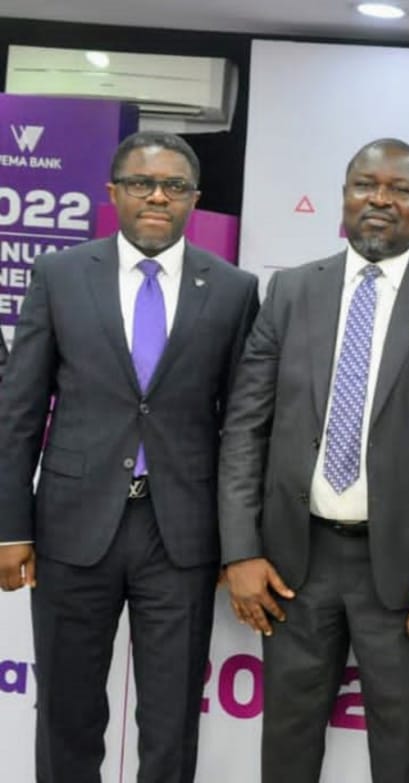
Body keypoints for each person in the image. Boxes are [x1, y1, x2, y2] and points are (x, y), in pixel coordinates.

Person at [217, 138, 409, 783]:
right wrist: (240, 551)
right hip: (293, 566)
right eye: (365, 185)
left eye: (399, 190)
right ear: (343, 197)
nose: (380, 199)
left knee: (400, 757)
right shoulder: (291, 291)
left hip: (406, 576)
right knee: (286, 751)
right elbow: (245, 427)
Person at [0, 130, 260, 782]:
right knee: (68, 712)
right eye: (142, 183)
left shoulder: (233, 290)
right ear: (113, 192)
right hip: (71, 526)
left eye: (174, 186)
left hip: (180, 534)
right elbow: (18, 412)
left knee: (171, 719)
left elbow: (242, 425)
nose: (157, 197)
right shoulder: (60, 276)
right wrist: (10, 526)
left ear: (194, 199)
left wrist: (238, 542)